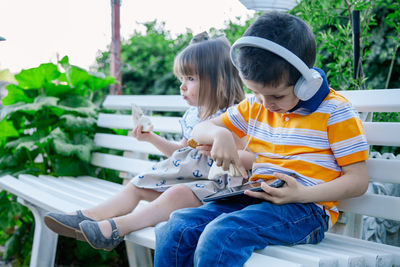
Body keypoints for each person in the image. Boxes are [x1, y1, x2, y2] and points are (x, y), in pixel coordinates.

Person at [153, 12, 370, 267]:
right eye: (256, 92)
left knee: (221, 236)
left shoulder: (335, 112)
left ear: (304, 84)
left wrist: (302, 194)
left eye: (276, 96)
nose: (266, 103)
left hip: (306, 209)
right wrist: (219, 133)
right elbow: (201, 129)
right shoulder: (257, 105)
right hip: (256, 197)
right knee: (177, 226)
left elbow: (358, 180)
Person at [44, 33, 250, 251]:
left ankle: (115, 229)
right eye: (181, 79)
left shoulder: (236, 116)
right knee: (139, 182)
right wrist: (150, 138)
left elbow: (248, 159)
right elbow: (180, 154)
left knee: (175, 194)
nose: (182, 86)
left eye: (190, 79)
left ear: (219, 79)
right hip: (186, 181)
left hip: (216, 190)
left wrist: (221, 153)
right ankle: (90, 215)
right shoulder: (194, 115)